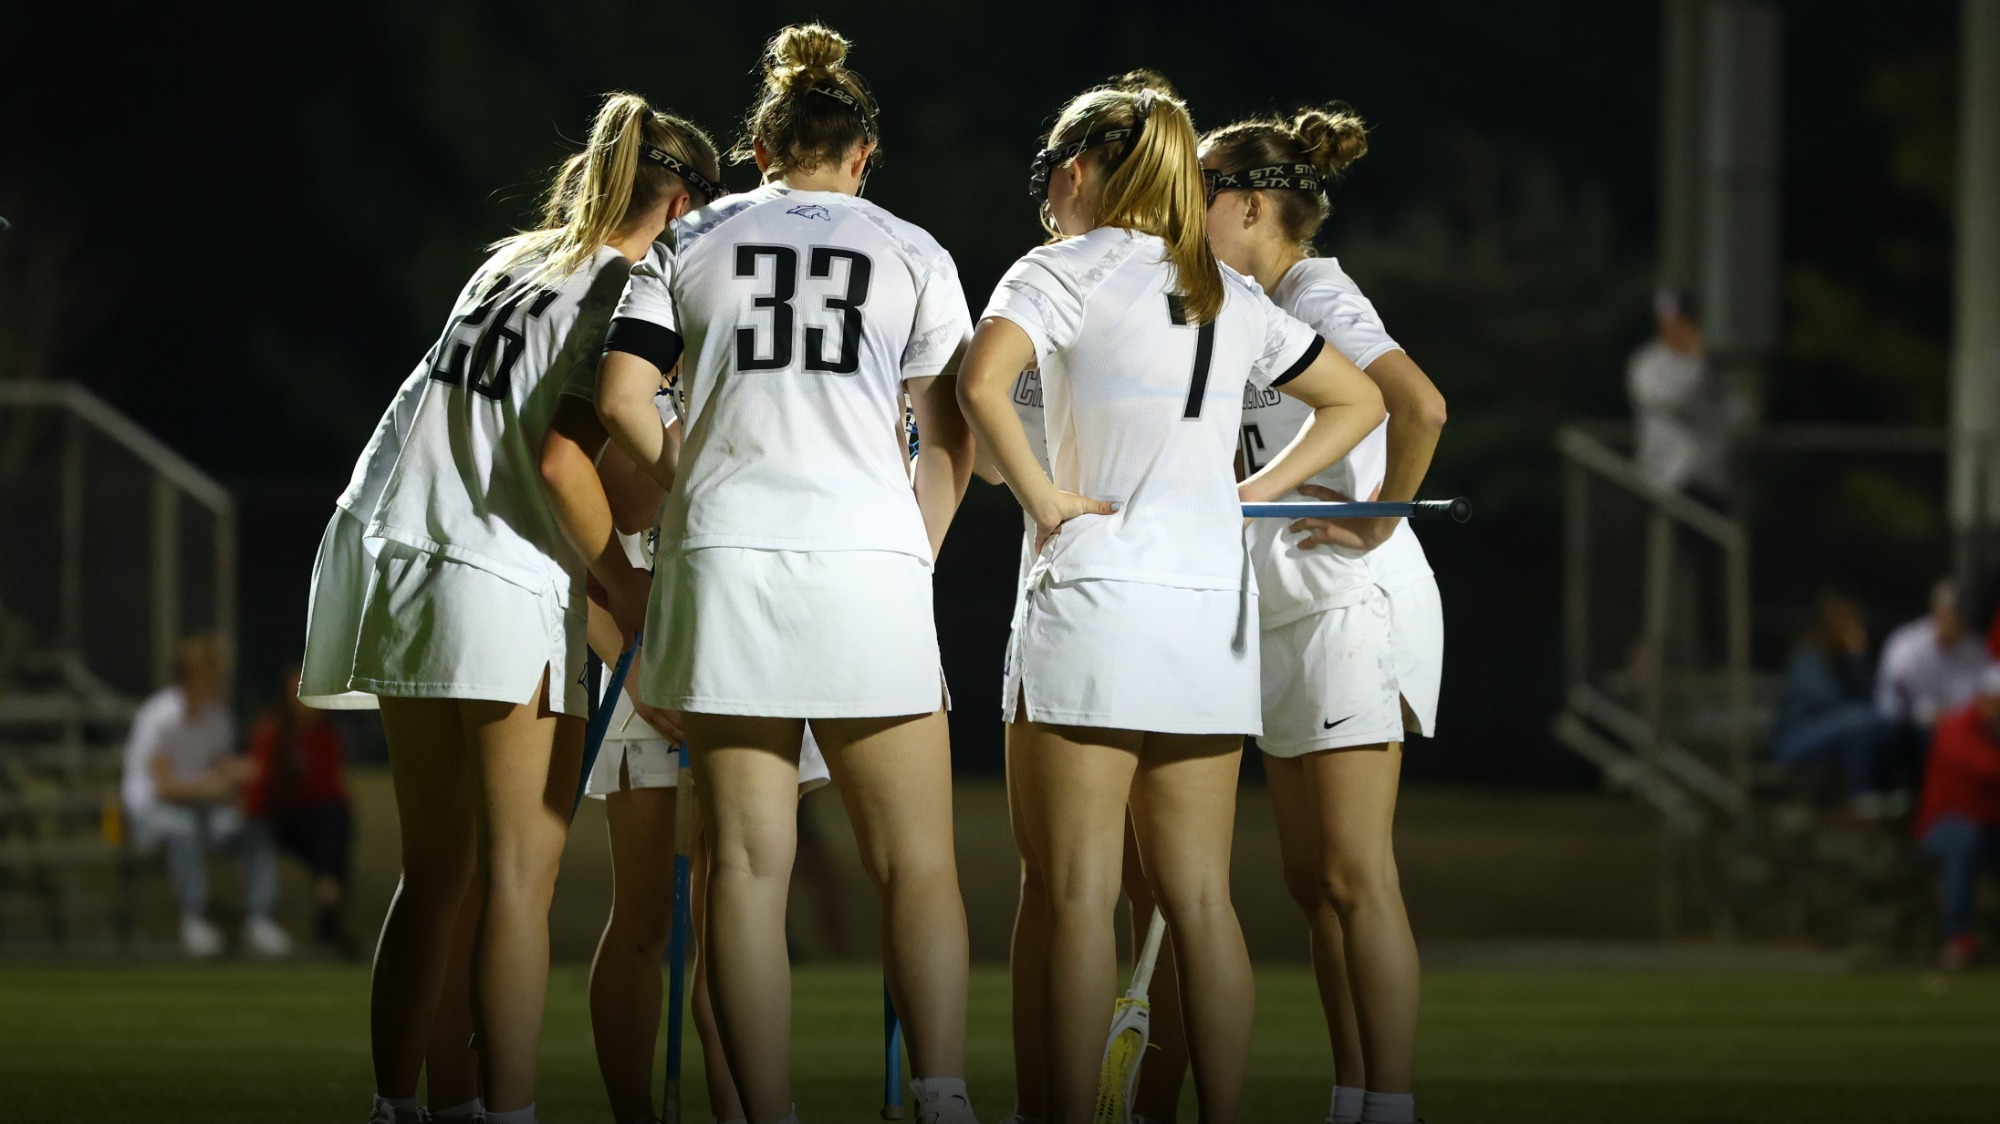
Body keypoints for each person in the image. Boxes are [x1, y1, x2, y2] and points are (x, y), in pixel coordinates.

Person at [959, 77, 1385, 1124]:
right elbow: (1359, 398)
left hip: (1096, 598)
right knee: (1200, 898)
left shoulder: (1059, 267)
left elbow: (978, 386)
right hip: (1210, 608)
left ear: (1073, 171)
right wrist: (1249, 493)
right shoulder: (1229, 294)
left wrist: (1046, 495)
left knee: (1066, 893)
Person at [594, 24, 978, 1124]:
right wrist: (915, 552)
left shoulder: (693, 238)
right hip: (869, 561)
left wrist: (703, 476)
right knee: (916, 865)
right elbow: (946, 440)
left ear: (760, 149)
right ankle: (940, 1095)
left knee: (748, 873)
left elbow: (624, 398)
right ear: (860, 156)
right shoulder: (912, 246)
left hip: (727, 563)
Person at [333, 92, 719, 1124]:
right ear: (679, 201)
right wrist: (631, 597)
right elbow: (560, 464)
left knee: (433, 875)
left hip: (412, 571)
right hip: (504, 588)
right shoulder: (634, 287)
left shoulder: (510, 260)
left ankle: (402, 1100)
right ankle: (507, 1109)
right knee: (516, 878)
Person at [1176, 105, 1446, 1124]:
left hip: (1346, 604)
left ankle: (1390, 1100)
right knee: (1307, 878)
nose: (1179, 208)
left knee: (1351, 869)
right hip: (1282, 611)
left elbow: (1415, 404)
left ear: (1247, 207)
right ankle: (1350, 1094)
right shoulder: (1234, 303)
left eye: (1197, 192)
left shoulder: (1315, 291)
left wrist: (1378, 519)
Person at [120, 633, 290, 958]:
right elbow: (164, 787)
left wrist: (251, 769)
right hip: (149, 812)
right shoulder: (160, 716)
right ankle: (194, 918)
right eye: (209, 671)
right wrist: (210, 786)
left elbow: (220, 765)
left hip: (200, 809)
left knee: (252, 829)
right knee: (183, 828)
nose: (217, 679)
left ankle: (260, 919)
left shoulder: (217, 716)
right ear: (190, 674)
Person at [247, 661, 355, 953]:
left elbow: (330, 788)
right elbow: (264, 785)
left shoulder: (325, 737)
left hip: (317, 822)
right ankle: (328, 896)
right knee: (332, 824)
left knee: (336, 820)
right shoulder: (273, 732)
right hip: (279, 818)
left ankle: (328, 895)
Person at [1766, 593, 1899, 814]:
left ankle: (1881, 792)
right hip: (1793, 741)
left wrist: (1856, 657)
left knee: (1878, 721)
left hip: (1829, 732)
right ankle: (1862, 796)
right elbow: (1826, 702)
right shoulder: (1807, 658)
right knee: (1859, 719)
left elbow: (1871, 699)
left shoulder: (1843, 661)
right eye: (1847, 623)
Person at [1915, 663, 2000, 970]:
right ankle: (1957, 938)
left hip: (1991, 828)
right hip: (1945, 828)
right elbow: (1986, 770)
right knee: (1962, 839)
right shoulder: (1956, 728)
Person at [1625, 286, 1738, 506]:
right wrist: (1697, 364)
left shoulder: (1710, 365)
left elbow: (1738, 411)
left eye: (1685, 319)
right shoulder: (1647, 364)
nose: (1681, 327)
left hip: (1710, 479)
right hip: (1665, 481)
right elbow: (1675, 402)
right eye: (1674, 320)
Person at [1878, 578, 1990, 738]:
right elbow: (1895, 703)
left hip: (1956, 727)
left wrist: (1952, 716)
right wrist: (1935, 715)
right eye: (1951, 612)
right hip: (1903, 727)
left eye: (1962, 614)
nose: (1956, 620)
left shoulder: (1974, 648)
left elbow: (1978, 698)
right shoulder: (1907, 643)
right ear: (1937, 612)